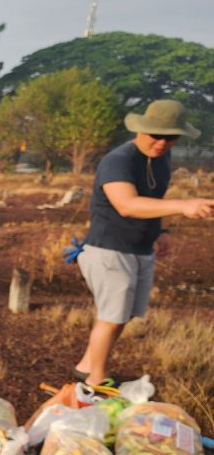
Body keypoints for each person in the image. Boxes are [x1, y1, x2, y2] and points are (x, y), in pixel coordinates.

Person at [73, 99, 214, 386]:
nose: (162, 142)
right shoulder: (119, 160)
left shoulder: (161, 159)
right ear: (141, 130)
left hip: (139, 249)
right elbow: (127, 205)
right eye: (156, 135)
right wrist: (184, 205)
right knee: (111, 317)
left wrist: (160, 231)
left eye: (170, 137)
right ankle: (95, 382)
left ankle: (86, 367)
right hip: (109, 249)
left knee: (122, 316)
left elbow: (153, 202)